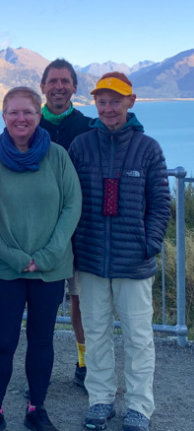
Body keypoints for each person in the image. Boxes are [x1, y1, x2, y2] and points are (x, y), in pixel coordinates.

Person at [68, 73, 170, 431]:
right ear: (95, 104)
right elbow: (71, 199)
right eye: (102, 101)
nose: (108, 108)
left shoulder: (148, 148)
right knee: (95, 333)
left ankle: (140, 405)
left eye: (115, 101)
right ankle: (101, 399)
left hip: (134, 261)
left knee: (138, 336)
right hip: (92, 258)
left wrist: (149, 243)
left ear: (131, 101)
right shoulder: (80, 146)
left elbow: (160, 204)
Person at [0, 87, 82, 431]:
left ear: (39, 116)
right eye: (13, 112)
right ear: (4, 116)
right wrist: (14, 257)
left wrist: (47, 255)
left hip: (50, 270)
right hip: (7, 270)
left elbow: (72, 206)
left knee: (42, 341)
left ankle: (36, 408)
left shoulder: (57, 156)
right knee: (3, 341)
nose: (21, 118)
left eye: (28, 112)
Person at [39, 58, 92, 388]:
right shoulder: (29, 125)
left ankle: (84, 362)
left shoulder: (88, 126)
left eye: (65, 81)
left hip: (81, 228)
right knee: (42, 305)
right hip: (40, 229)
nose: (58, 86)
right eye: (52, 81)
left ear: (74, 87)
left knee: (80, 300)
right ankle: (38, 367)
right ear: (42, 87)